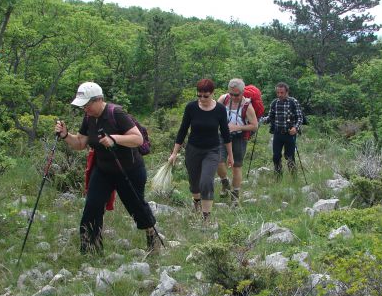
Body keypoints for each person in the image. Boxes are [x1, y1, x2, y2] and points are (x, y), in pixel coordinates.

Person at [54, 82, 162, 255]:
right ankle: (91, 251)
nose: (85, 109)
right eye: (82, 105)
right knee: (92, 207)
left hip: (129, 170)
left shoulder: (116, 113)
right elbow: (81, 143)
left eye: (87, 104)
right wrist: (66, 135)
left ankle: (151, 235)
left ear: (99, 100)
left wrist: (114, 139)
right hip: (103, 170)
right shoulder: (89, 117)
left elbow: (138, 139)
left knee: (136, 207)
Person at [169, 78, 234, 223]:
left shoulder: (220, 109)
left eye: (206, 96)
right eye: (199, 95)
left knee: (206, 181)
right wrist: (174, 153)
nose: (202, 99)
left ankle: (206, 218)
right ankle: (197, 203)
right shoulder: (191, 107)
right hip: (193, 149)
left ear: (213, 93)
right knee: (194, 182)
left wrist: (230, 155)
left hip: (212, 150)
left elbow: (225, 133)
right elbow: (182, 131)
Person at [216, 78, 258, 205]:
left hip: (239, 137)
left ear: (242, 92)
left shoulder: (247, 106)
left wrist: (237, 127)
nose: (234, 97)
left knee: (236, 166)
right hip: (222, 135)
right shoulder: (223, 99)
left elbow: (254, 125)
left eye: (237, 94)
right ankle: (225, 182)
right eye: (232, 94)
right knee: (218, 161)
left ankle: (235, 197)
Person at [264, 82, 304, 178]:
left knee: (289, 157)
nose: (280, 95)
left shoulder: (293, 102)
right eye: (278, 93)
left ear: (287, 92)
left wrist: (295, 128)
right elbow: (270, 117)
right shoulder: (274, 103)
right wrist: (259, 120)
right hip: (277, 133)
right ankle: (278, 177)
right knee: (276, 156)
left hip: (290, 134)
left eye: (282, 92)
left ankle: (294, 178)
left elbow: (300, 117)